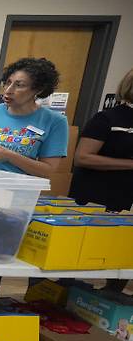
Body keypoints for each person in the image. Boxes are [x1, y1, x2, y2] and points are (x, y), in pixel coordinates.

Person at [0, 57, 69, 297]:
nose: (8, 90)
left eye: (19, 85)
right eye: (7, 82)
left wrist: (8, 156)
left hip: (11, 199)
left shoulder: (54, 122)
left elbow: (49, 169)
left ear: (38, 89)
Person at [70, 67, 133, 293]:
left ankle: (112, 298)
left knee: (121, 252)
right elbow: (83, 157)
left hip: (126, 197)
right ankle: (65, 297)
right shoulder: (108, 118)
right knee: (85, 251)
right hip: (96, 196)